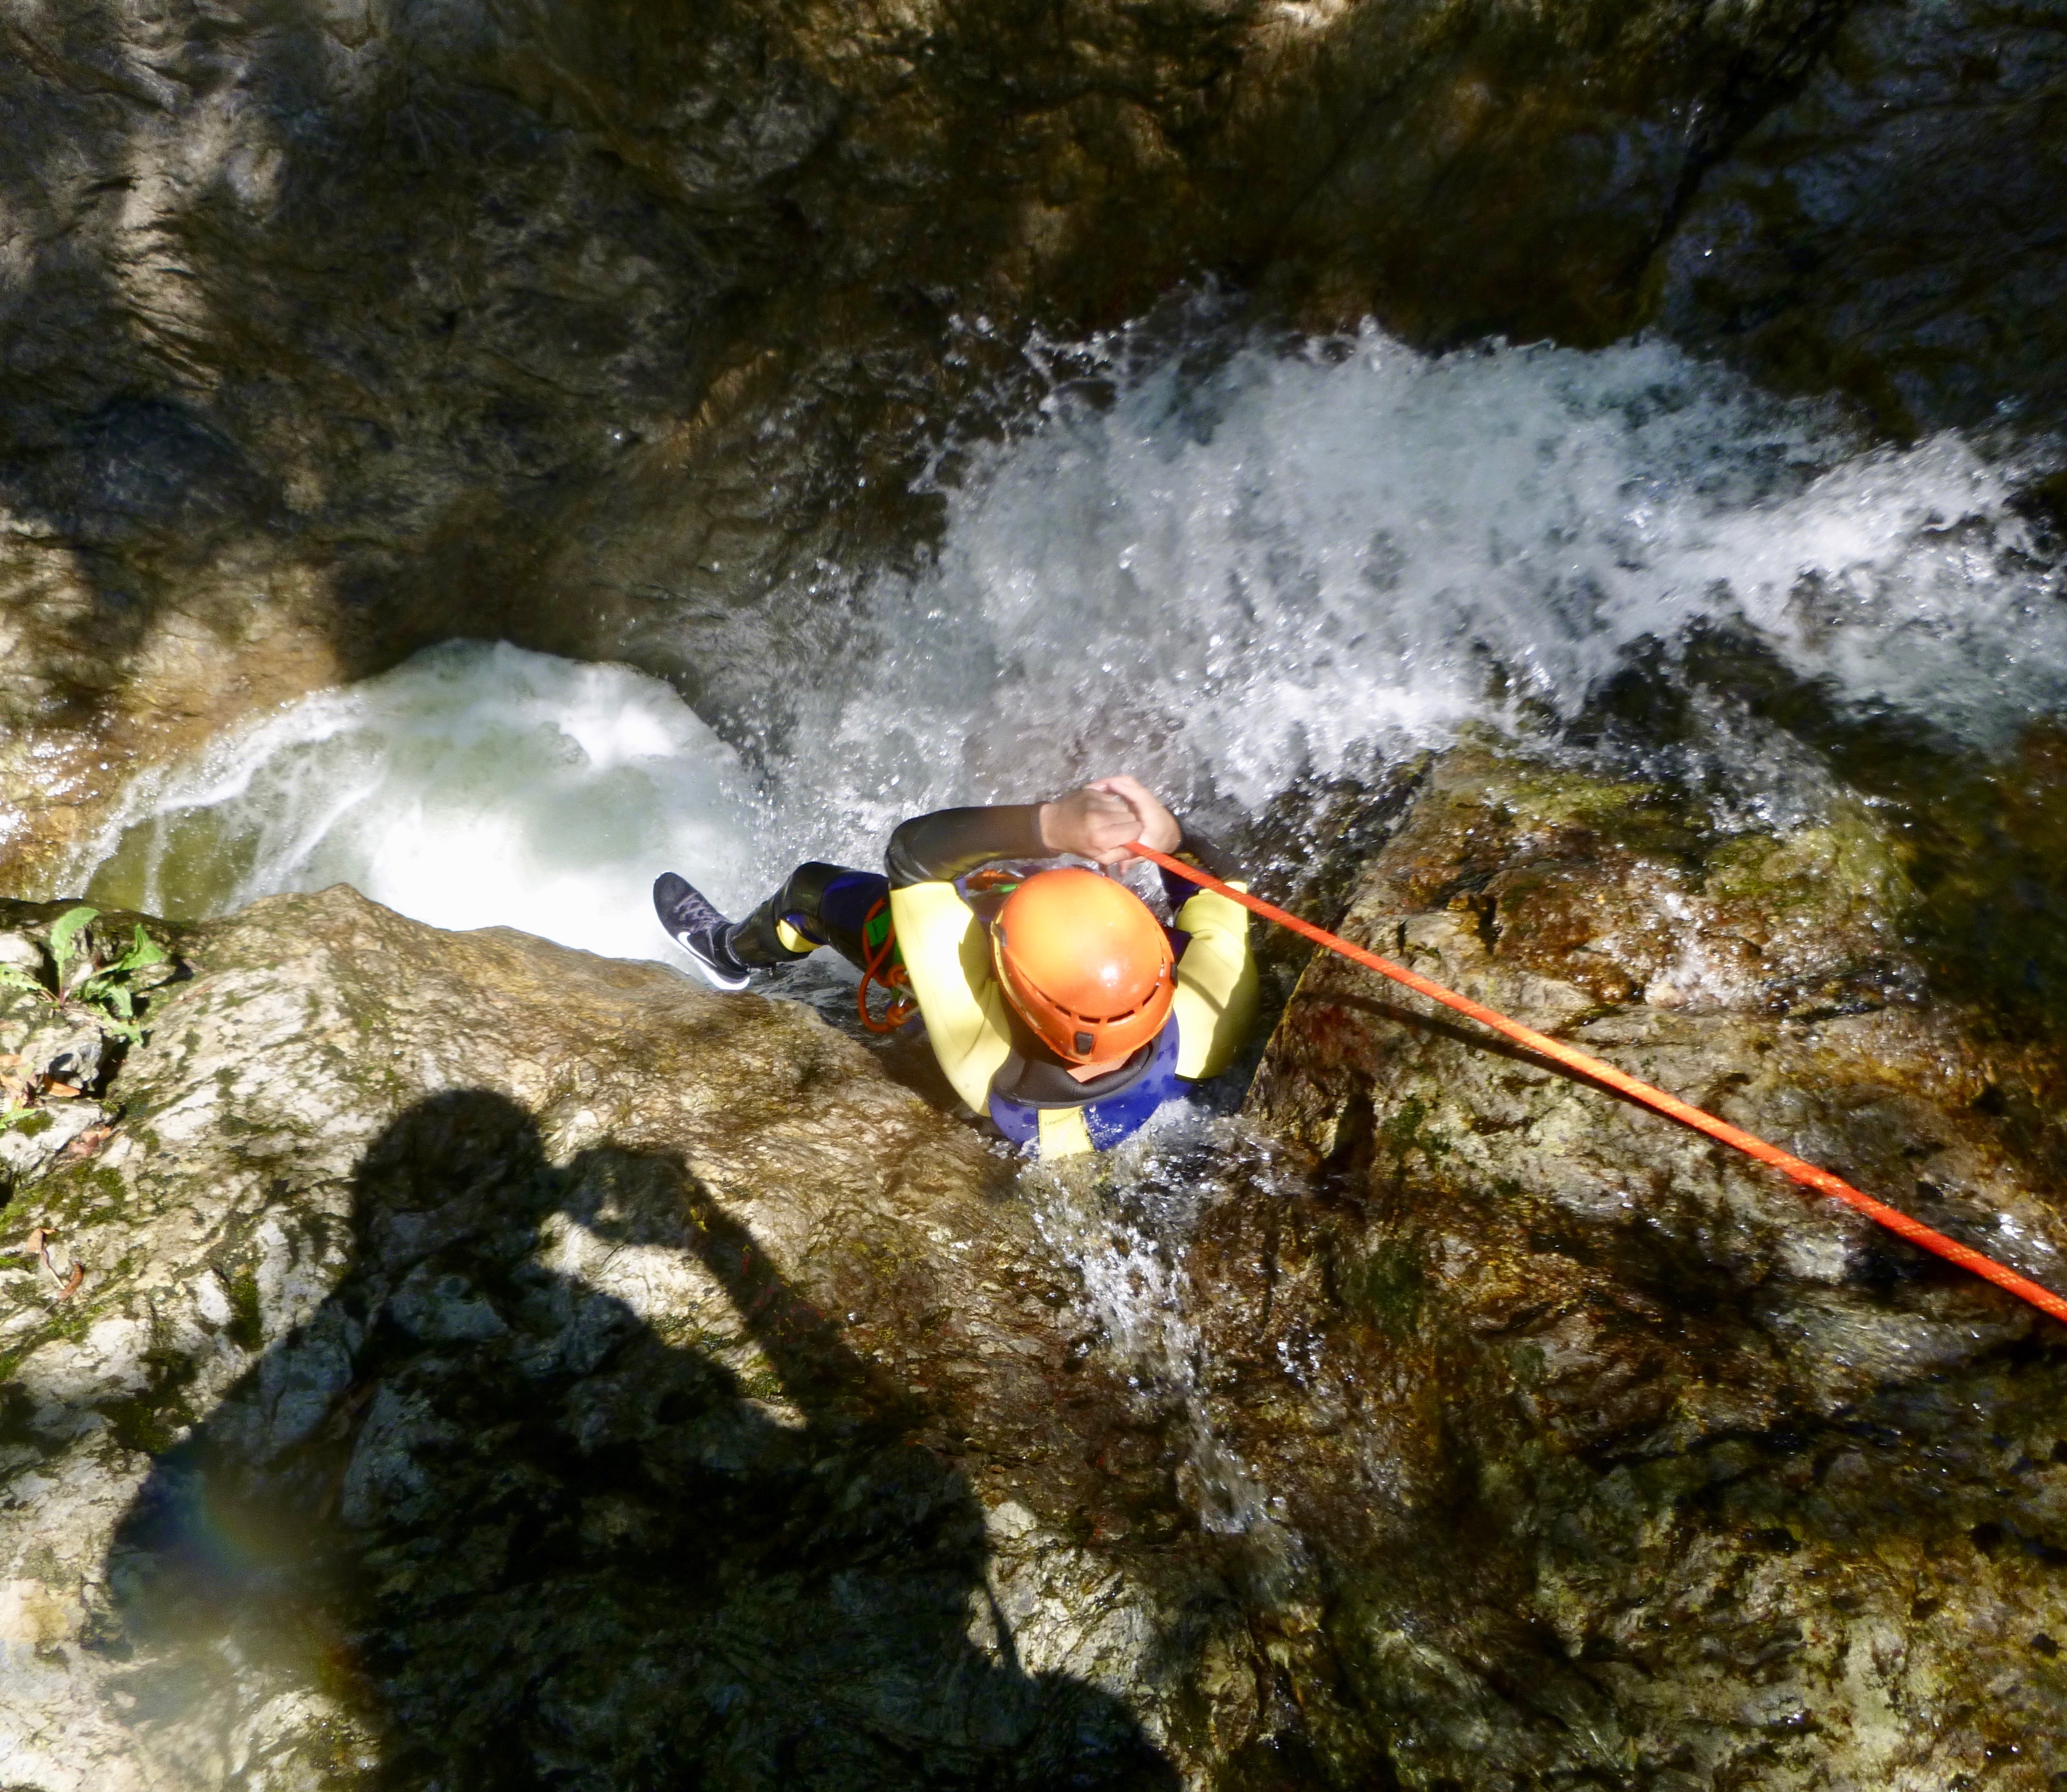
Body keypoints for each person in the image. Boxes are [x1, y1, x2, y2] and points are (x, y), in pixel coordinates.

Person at [653, 776, 1258, 1158]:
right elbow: (1218, 883)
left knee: (813, 891)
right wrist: (1167, 833)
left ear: (1009, 989)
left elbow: (912, 856)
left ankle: (728, 954)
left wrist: (1052, 825)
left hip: (976, 1046)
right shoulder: (1210, 1020)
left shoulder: (983, 1052)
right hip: (1095, 1099)